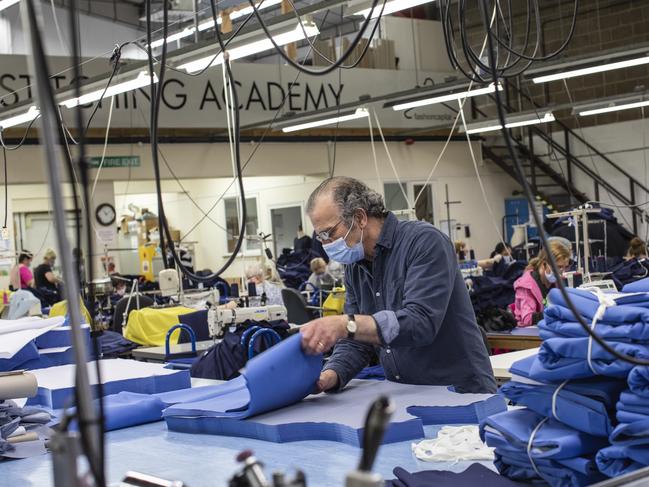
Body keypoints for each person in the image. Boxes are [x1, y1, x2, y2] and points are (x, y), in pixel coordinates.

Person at [300, 177, 497, 394]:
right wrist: (330, 376)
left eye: (329, 233)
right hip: (407, 394)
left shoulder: (425, 242)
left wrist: (346, 324)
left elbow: (420, 322)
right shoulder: (354, 267)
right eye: (320, 237)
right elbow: (357, 342)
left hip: (459, 393)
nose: (326, 245)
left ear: (359, 217)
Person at [511, 240, 571, 327]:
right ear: (544, 264)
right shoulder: (526, 286)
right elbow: (528, 319)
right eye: (558, 267)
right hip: (527, 334)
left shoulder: (555, 282)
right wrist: (555, 312)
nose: (561, 273)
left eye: (564, 267)